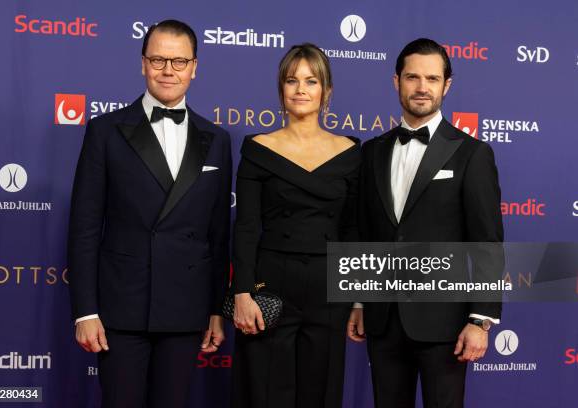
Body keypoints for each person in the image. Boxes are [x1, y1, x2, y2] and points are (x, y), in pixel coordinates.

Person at [67, 19, 232, 408]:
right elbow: (84, 227)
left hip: (186, 308)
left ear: (195, 66)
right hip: (121, 308)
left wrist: (214, 310)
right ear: (143, 64)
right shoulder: (105, 131)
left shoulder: (218, 140)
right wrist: (84, 312)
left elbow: (218, 235)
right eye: (158, 60)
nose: (168, 71)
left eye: (179, 61)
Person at [348, 38, 503, 408]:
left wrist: (480, 319)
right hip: (383, 317)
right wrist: (355, 299)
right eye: (412, 77)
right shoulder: (371, 151)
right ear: (396, 81)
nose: (422, 87)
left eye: (432, 79)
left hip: (445, 321)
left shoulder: (472, 154)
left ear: (446, 85)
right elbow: (362, 233)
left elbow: (487, 242)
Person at [230, 43, 360, 408]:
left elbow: (352, 231)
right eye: (292, 81)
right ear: (281, 90)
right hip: (270, 285)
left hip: (329, 287)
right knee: (265, 391)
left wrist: (360, 299)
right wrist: (242, 292)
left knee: (321, 391)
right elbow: (246, 227)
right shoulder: (257, 149)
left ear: (326, 92)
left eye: (311, 81)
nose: (301, 89)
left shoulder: (351, 153)